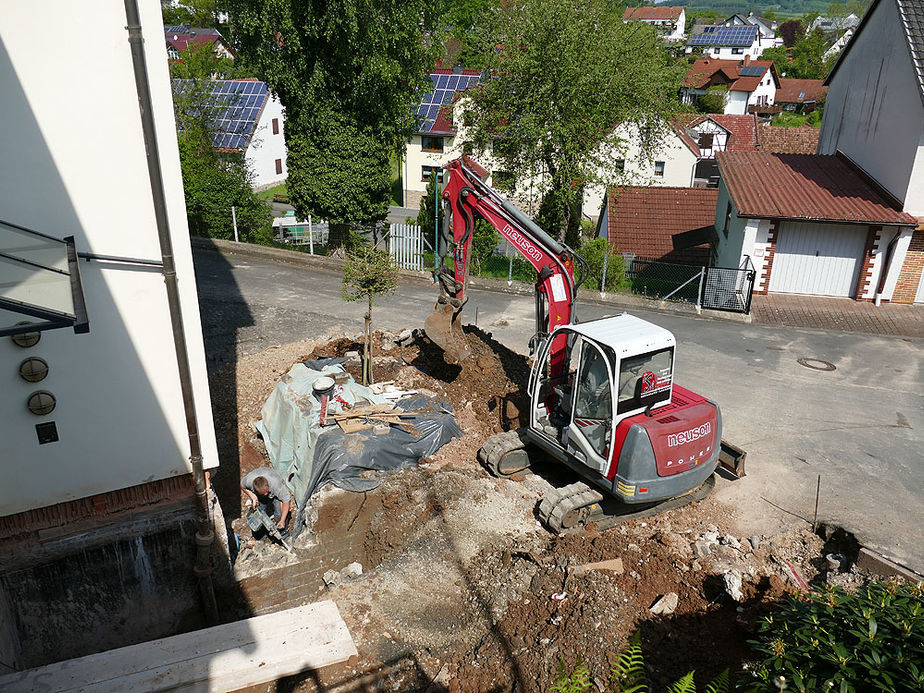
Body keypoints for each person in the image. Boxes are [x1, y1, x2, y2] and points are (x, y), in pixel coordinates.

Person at [241, 467, 292, 539]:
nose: (265, 494)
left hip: (274, 489)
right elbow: (242, 486)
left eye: (266, 492)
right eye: (263, 493)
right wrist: (253, 497)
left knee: (279, 514)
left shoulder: (276, 485)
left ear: (267, 485)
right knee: (260, 513)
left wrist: (282, 520)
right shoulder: (249, 481)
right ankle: (262, 534)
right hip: (259, 493)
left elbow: (286, 501)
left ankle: (284, 534)